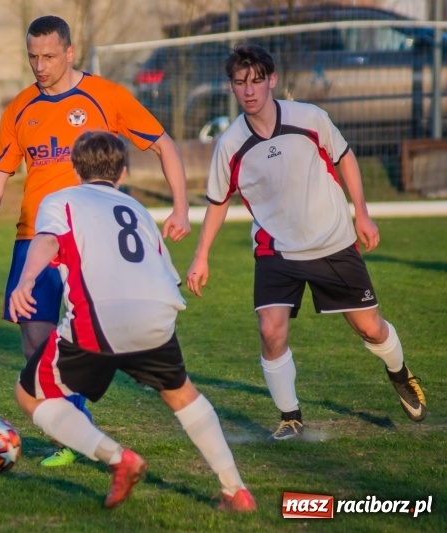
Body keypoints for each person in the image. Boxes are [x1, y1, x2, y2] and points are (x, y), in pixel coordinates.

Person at [0, 15, 191, 467]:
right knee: (34, 339)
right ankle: (75, 426)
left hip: (92, 239)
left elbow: (164, 144)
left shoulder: (106, 97)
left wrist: (181, 207)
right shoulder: (20, 109)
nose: (39, 66)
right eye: (32, 57)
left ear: (70, 52)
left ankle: (78, 431)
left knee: (91, 333)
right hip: (35, 237)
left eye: (48, 56)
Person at [185, 43, 427, 441]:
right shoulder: (229, 144)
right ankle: (290, 416)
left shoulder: (309, 118)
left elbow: (345, 157)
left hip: (332, 241)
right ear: (231, 87)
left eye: (256, 81)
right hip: (276, 250)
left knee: (371, 329)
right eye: (240, 82)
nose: (249, 90)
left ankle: (400, 374)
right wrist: (201, 256)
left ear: (272, 80)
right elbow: (217, 201)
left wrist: (361, 212)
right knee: (270, 330)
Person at [9, 131, 255, 511]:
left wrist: (26, 280)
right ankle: (235, 490)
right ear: (122, 172)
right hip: (158, 313)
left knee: (29, 394)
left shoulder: (61, 199)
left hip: (101, 317)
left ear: (75, 169)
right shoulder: (136, 209)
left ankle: (116, 457)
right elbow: (165, 273)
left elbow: (47, 241)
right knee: (182, 394)